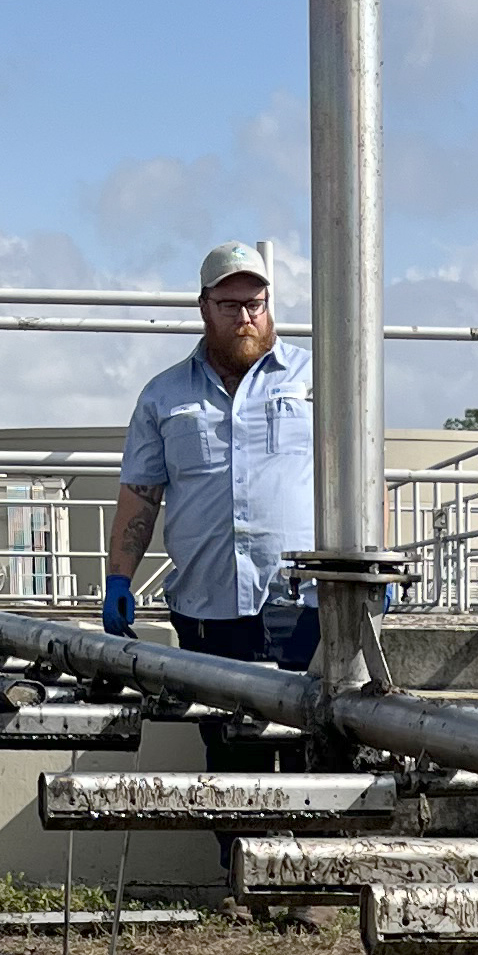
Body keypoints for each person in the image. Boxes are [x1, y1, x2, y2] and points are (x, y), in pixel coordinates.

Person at [104, 241, 317, 674]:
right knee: (223, 739)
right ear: (204, 307)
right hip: (207, 612)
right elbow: (141, 493)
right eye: (229, 305)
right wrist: (118, 579)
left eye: (254, 305)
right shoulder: (163, 395)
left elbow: (362, 478)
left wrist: (376, 564)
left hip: (305, 607)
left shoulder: (315, 379)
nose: (245, 318)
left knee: (313, 738)